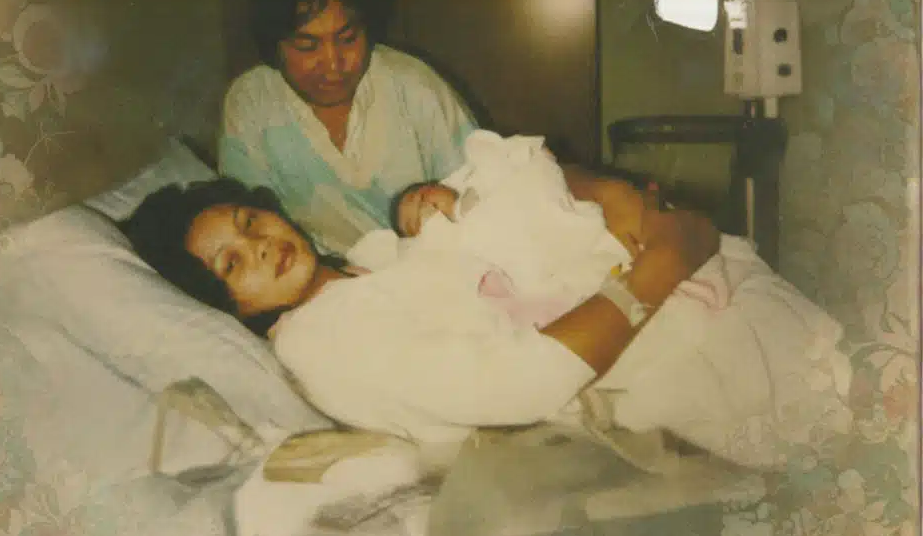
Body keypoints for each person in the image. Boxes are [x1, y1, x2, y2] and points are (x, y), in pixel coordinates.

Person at [120, 172, 722, 449]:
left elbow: (510, 191)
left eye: (249, 221)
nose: (258, 245)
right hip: (652, 340)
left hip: (639, 286)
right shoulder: (318, 342)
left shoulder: (365, 265)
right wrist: (664, 261)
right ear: (227, 307)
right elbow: (524, 382)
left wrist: (613, 198)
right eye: (231, 264)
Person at [218, 0, 478, 257]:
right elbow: (249, 236)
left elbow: (486, 196)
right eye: (307, 46)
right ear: (274, 44)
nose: (333, 63)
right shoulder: (251, 104)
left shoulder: (414, 87)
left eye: (348, 38)